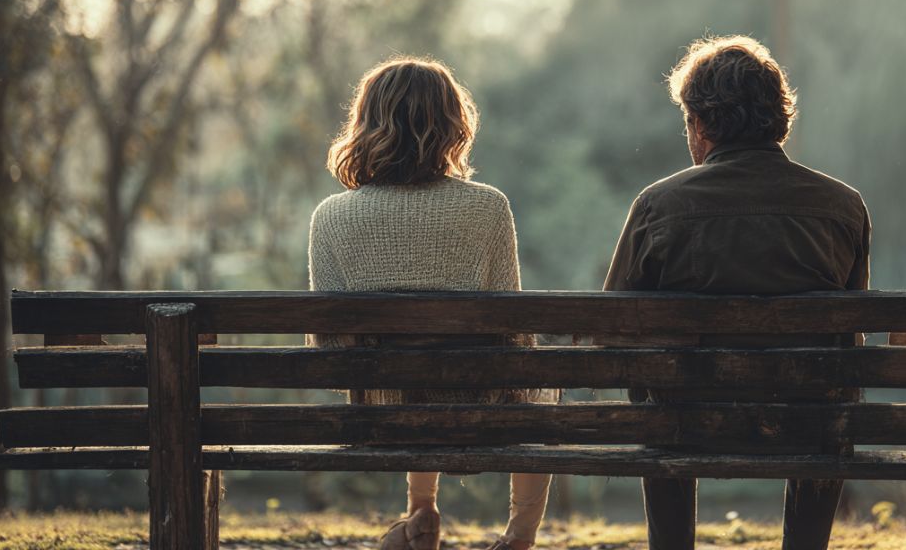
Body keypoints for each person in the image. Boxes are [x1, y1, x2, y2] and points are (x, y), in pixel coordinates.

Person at [603, 35, 870, 550]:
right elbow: (847, 331)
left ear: (701, 124)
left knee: (658, 390)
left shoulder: (659, 205)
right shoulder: (844, 208)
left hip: (685, 423)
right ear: (780, 118)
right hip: (806, 423)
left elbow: (610, 333)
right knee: (831, 383)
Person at [307, 56, 551, 550]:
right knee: (545, 382)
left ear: (366, 124)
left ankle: (421, 512)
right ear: (452, 127)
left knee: (411, 378)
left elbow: (328, 348)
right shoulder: (488, 206)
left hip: (377, 419)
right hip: (477, 413)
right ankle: (518, 535)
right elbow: (515, 334)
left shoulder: (330, 216)